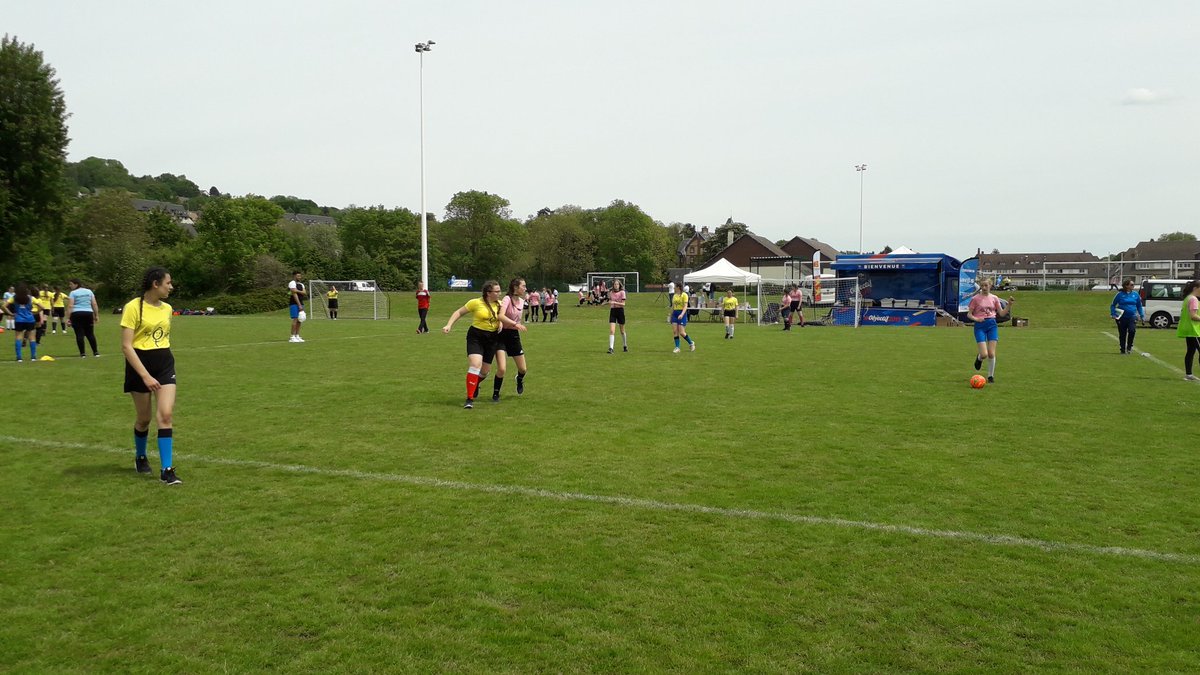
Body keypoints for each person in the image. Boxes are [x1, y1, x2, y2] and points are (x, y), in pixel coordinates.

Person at [120, 267, 181, 485]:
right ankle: (141, 456)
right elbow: (127, 346)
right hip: (139, 365)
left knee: (165, 415)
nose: (170, 287)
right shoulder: (133, 307)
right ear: (155, 284)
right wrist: (145, 376)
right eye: (168, 283)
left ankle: (167, 470)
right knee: (144, 419)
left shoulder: (167, 308)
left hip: (164, 363)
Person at [443, 280, 525, 409]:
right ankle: (469, 399)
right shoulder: (475, 302)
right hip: (476, 336)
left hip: (492, 339)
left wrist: (502, 324)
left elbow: (501, 317)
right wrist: (449, 325)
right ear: (488, 293)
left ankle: (474, 384)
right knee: (475, 364)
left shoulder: (499, 304)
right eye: (496, 291)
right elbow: (459, 312)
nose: (499, 293)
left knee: (485, 371)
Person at [968, 278, 1014, 384]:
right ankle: (979, 358)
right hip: (980, 326)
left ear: (990, 286)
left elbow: (1002, 313)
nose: (984, 288)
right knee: (984, 354)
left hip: (992, 325)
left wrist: (1009, 305)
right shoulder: (975, 298)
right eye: (982, 285)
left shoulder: (994, 298)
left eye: (986, 285)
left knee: (991, 353)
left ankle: (990, 376)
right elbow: (969, 314)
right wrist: (977, 319)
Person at [494, 277, 531, 401]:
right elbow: (500, 316)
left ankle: (519, 379)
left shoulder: (521, 301)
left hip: (513, 336)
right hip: (501, 335)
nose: (525, 288)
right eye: (523, 286)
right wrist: (516, 324)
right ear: (515, 287)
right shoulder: (507, 299)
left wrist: (516, 326)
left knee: (523, 369)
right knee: (502, 368)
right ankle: (495, 394)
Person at [5, 284, 42, 362]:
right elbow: (42, 307)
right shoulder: (31, 298)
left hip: (19, 320)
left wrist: (11, 314)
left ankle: (19, 357)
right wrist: (35, 313)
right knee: (32, 338)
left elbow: (3, 306)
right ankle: (33, 357)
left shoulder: (14, 298)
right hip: (30, 320)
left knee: (18, 338)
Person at [65, 278, 101, 358]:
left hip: (76, 314)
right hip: (88, 313)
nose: (70, 286)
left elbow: (70, 305)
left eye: (71, 284)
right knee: (90, 333)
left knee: (79, 334)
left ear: (76, 284)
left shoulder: (73, 293)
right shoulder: (89, 291)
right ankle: (96, 352)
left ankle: (83, 354)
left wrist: (68, 318)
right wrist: (96, 315)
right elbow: (94, 304)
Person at [1110, 278, 1144, 355]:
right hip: (1121, 316)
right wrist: (1113, 314)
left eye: (1133, 284)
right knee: (1122, 333)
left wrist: (1141, 315)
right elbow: (1113, 305)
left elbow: (1139, 306)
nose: (1133, 286)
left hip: (1132, 316)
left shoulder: (1135, 294)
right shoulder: (1120, 294)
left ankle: (1129, 347)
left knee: (1132, 331)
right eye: (1131, 284)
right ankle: (1122, 349)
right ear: (1126, 286)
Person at [1178, 280, 1200, 381]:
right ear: (1195, 288)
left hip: (1188, 329)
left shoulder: (1188, 298)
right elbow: (1193, 316)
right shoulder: (1193, 299)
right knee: (1192, 351)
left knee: (1190, 351)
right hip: (1193, 330)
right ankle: (1189, 374)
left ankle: (1189, 374)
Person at [670, 284, 695, 353]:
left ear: (678, 287)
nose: (674, 288)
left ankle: (691, 343)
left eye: (675, 287)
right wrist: (670, 315)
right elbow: (673, 306)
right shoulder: (674, 295)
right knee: (675, 331)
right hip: (675, 313)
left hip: (682, 313)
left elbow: (685, 306)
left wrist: (682, 314)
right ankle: (677, 347)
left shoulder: (684, 295)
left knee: (681, 332)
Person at [607, 279, 628, 353]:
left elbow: (623, 304)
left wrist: (614, 302)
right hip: (613, 311)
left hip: (620, 311)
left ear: (619, 285)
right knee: (612, 330)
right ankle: (611, 348)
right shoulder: (611, 292)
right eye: (615, 284)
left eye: (617, 284)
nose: (616, 285)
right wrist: (607, 303)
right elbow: (610, 301)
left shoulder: (622, 292)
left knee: (622, 331)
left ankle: (625, 345)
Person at [288, 271, 306, 343]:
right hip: (294, 304)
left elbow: (304, 292)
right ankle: (292, 336)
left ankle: (297, 335)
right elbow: (294, 293)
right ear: (294, 276)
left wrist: (296, 290)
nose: (299, 277)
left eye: (300, 276)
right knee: (295, 319)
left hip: (301, 303)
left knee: (300, 320)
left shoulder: (301, 284)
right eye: (298, 276)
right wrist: (299, 305)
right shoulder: (292, 283)